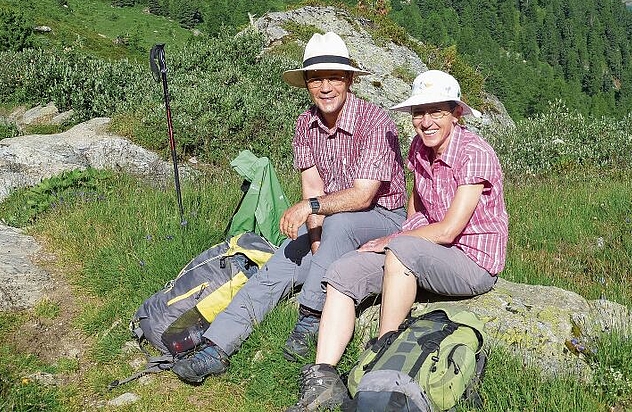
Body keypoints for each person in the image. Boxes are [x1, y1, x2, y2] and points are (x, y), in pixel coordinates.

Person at [172, 31, 407, 383]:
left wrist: (311, 211)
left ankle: (310, 315)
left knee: (340, 226)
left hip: (382, 218)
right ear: (307, 84)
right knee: (278, 267)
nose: (325, 87)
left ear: (349, 80)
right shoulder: (304, 125)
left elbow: (363, 196)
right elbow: (313, 187)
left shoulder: (375, 121)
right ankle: (216, 347)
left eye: (334, 77)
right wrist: (316, 242)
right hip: (331, 222)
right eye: (316, 79)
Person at [287, 70, 509, 411]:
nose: (425, 121)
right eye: (419, 113)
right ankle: (323, 377)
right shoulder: (419, 147)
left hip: (471, 261)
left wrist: (395, 241)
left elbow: (450, 229)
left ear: (455, 113)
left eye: (436, 112)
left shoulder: (473, 153)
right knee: (344, 271)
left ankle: (382, 357)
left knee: (401, 250)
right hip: (426, 252)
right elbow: (418, 201)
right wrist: (397, 235)